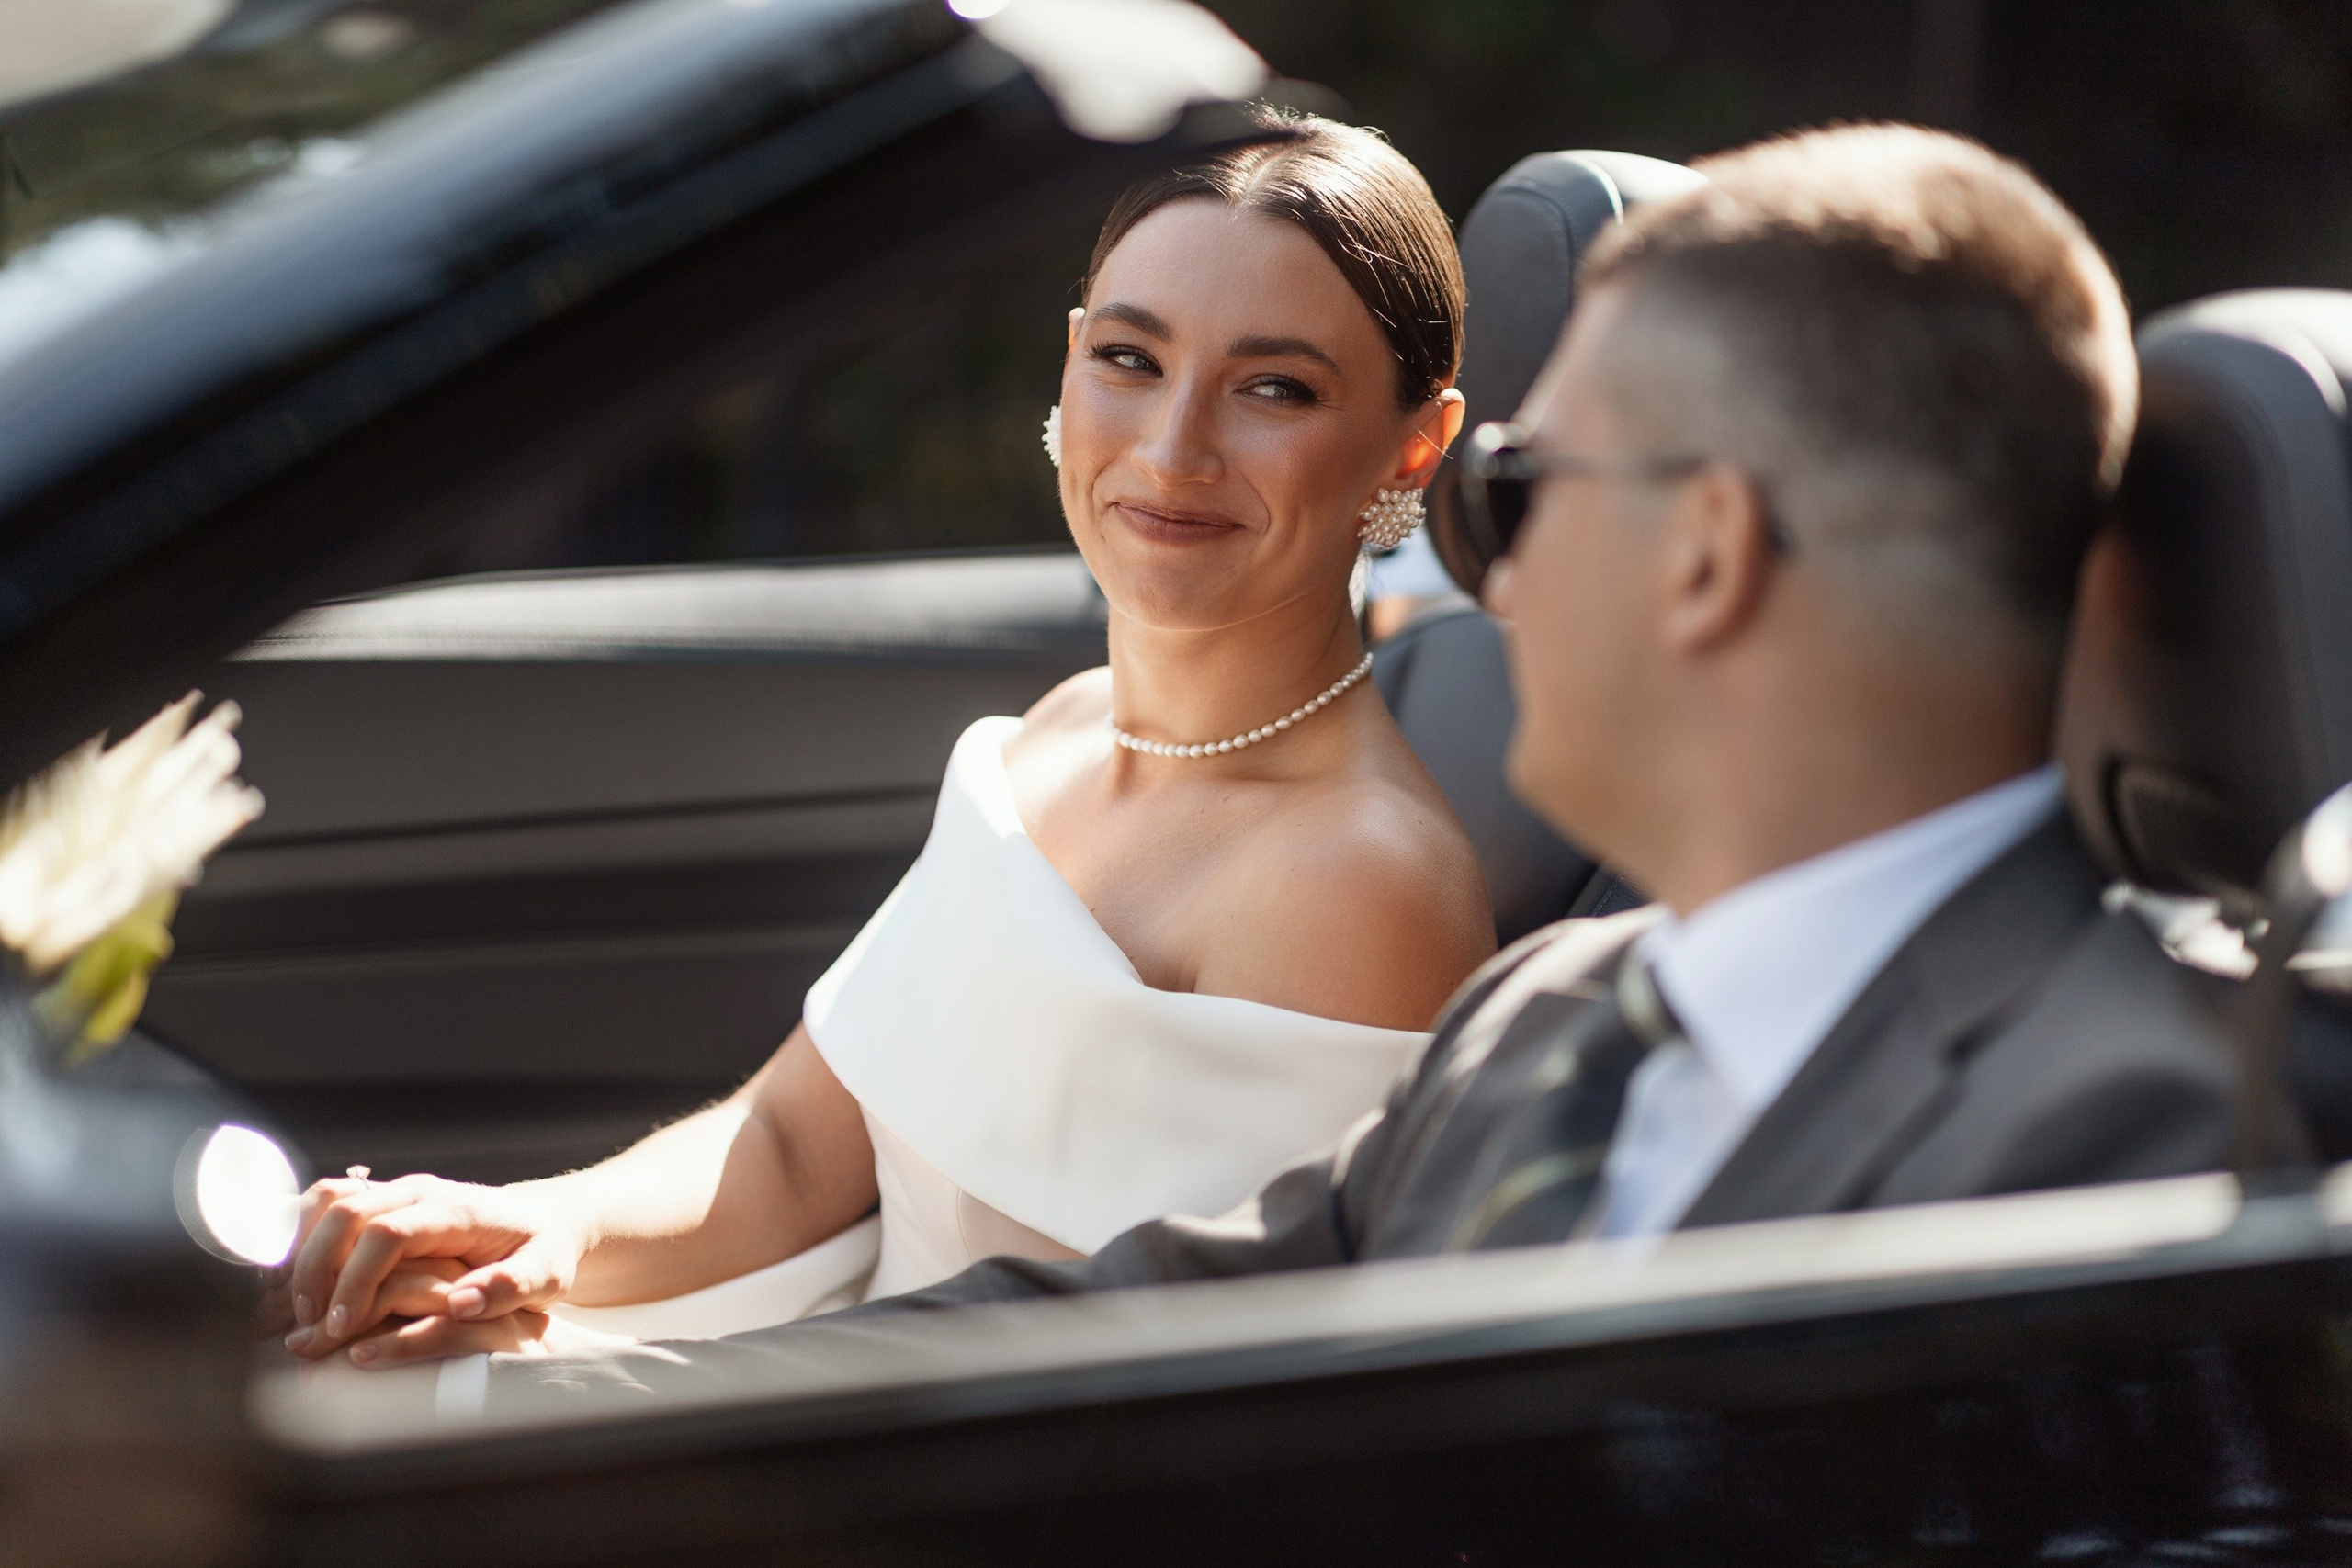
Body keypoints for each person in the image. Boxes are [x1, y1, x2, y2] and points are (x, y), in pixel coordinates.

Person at [314, 120, 2274, 1402]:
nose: (1465, 572)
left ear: (1704, 549)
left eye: (1514, 485)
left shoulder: (2133, 1154)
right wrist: (494, 1392)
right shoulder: (1549, 1014)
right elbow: (1085, 1358)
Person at [272, 109, 1498, 1368]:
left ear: (1414, 443)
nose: (1174, 448)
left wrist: (561, 1395)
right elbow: (798, 1141)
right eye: (1132, 360)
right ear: (1069, 367)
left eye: (1274, 388)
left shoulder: (1356, 883)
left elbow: (1133, 1409)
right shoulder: (1066, 732)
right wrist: (528, 1233)